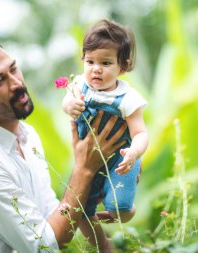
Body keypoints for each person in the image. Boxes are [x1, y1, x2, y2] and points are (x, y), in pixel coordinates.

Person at [0, 28, 127, 253]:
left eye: (13, 68)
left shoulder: (27, 136)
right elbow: (44, 246)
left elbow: (51, 214)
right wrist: (84, 169)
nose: (16, 83)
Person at [61, 19, 148, 249]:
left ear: (123, 66)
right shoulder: (80, 85)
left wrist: (133, 153)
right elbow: (66, 101)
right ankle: (102, 245)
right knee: (77, 208)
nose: (95, 68)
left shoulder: (128, 98)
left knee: (119, 207)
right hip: (89, 158)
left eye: (105, 62)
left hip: (120, 159)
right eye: (90, 61)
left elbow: (140, 133)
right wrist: (70, 105)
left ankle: (127, 210)